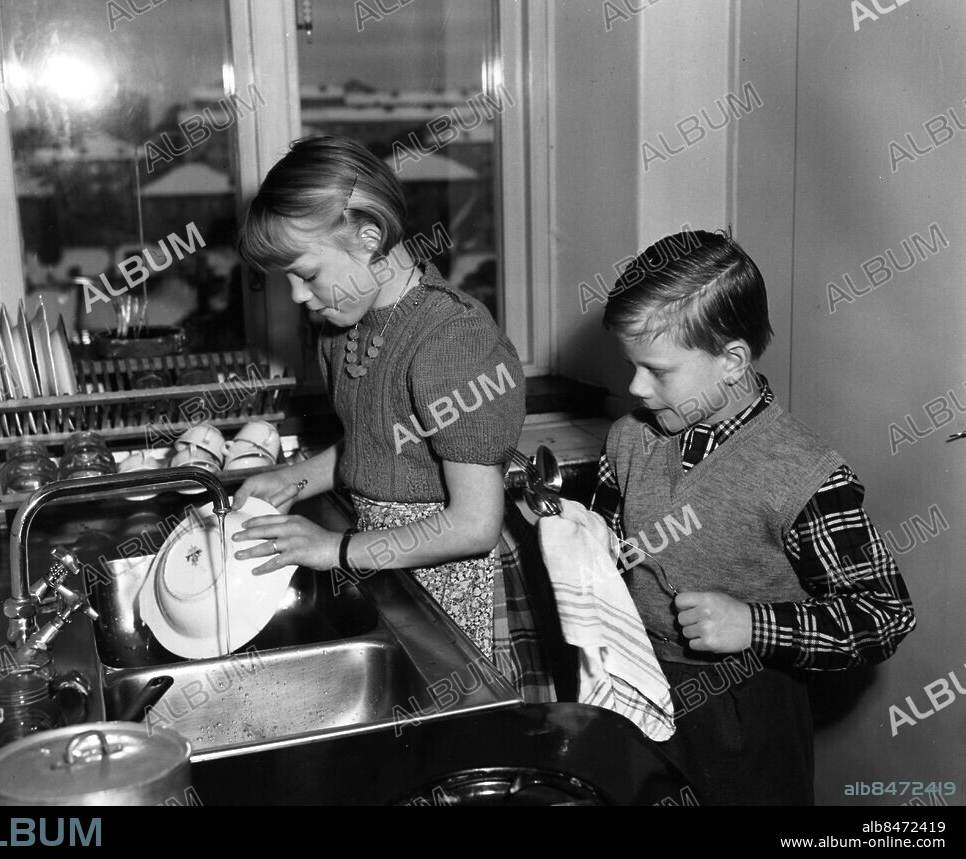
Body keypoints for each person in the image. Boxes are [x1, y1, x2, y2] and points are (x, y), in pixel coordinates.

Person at [591, 228, 916, 805]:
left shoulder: (804, 474)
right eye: (631, 365)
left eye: (657, 370)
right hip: (635, 685)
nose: (635, 387)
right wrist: (580, 539)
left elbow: (884, 615)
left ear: (732, 361)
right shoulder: (628, 440)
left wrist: (754, 625)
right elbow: (610, 550)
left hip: (748, 710)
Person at [231, 134, 555, 698]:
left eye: (306, 273)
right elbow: (379, 441)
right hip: (389, 565)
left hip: (456, 584)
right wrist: (293, 478)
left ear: (369, 237)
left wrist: (333, 550)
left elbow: (473, 525)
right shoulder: (342, 331)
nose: (298, 296)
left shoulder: (452, 342)